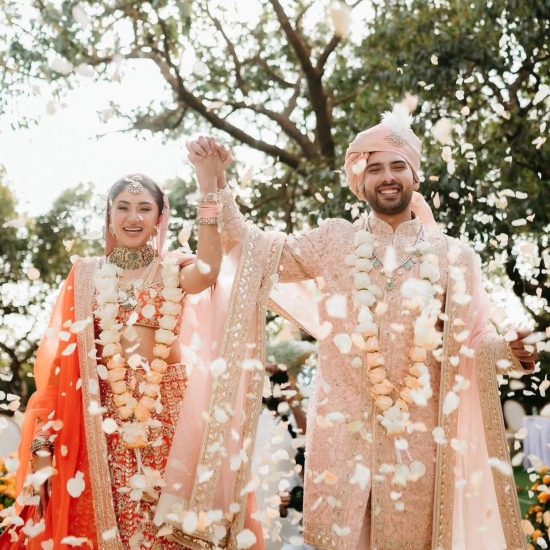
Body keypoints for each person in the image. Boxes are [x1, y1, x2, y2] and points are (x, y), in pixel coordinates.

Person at [185, 105, 537, 550]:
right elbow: (250, 248)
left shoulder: (453, 256)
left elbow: (474, 337)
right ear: (360, 181)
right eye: (375, 169)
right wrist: (213, 183)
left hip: (417, 444)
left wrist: (509, 352)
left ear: (415, 176)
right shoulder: (334, 240)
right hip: (340, 440)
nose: (387, 177)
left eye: (398, 166)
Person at [2, 166, 267, 549]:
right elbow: (60, 373)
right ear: (109, 215)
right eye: (123, 207)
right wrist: (43, 446)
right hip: (99, 422)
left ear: (160, 217)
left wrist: (208, 188)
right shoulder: (86, 275)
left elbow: (209, 271)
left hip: (170, 418)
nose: (133, 217)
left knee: (171, 533)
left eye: (144, 208)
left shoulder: (174, 270)